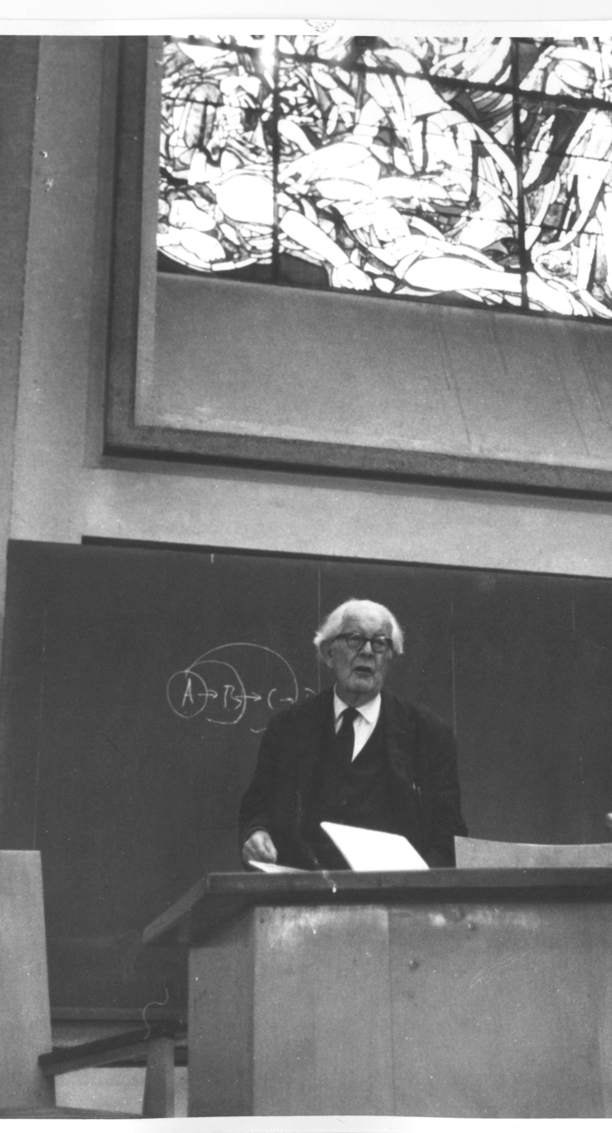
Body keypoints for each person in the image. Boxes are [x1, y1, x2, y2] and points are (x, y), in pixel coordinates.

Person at [239, 598, 467, 870]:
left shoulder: (428, 735)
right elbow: (257, 805)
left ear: (391, 658)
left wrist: (415, 885)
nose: (368, 652)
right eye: (355, 639)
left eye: (380, 643)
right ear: (328, 653)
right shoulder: (288, 727)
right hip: (302, 889)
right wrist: (256, 833)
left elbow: (449, 836)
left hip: (394, 891)